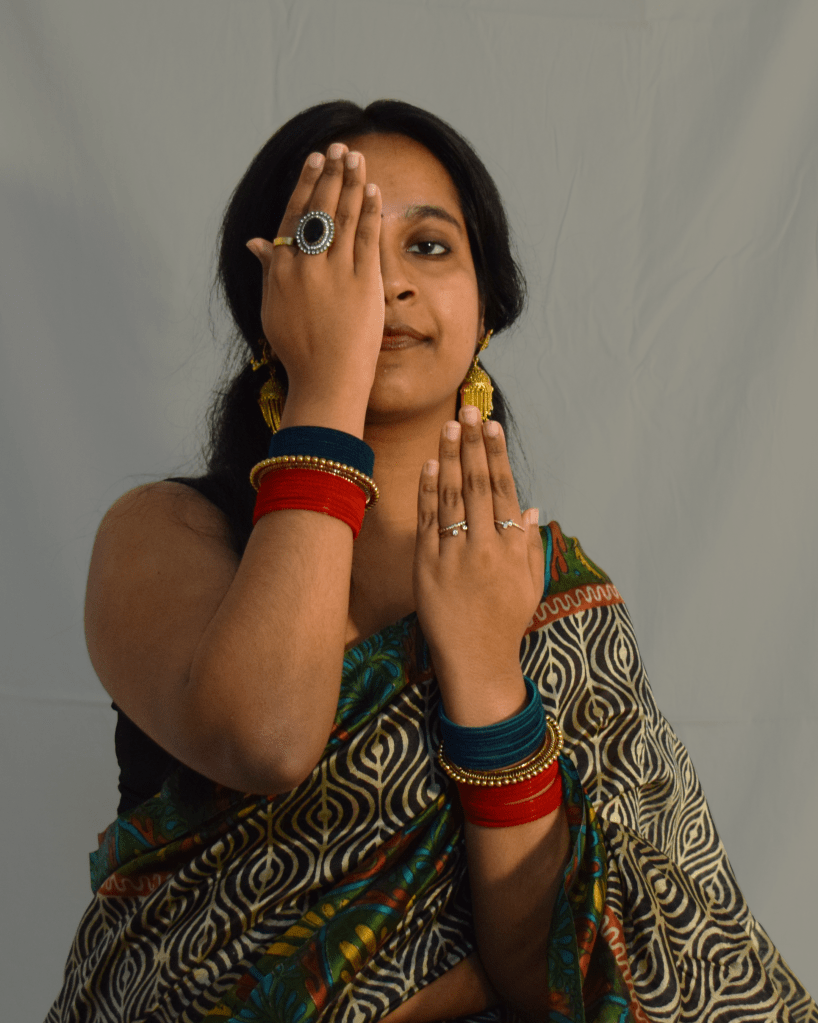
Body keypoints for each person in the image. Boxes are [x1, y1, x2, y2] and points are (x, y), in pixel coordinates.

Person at [47, 99, 816, 1023]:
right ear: (271, 302)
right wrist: (326, 386)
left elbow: (552, 973)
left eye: (428, 246)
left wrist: (487, 670)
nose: (387, 283)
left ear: (485, 309)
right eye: (340, 247)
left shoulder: (549, 596)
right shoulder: (167, 534)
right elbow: (268, 737)